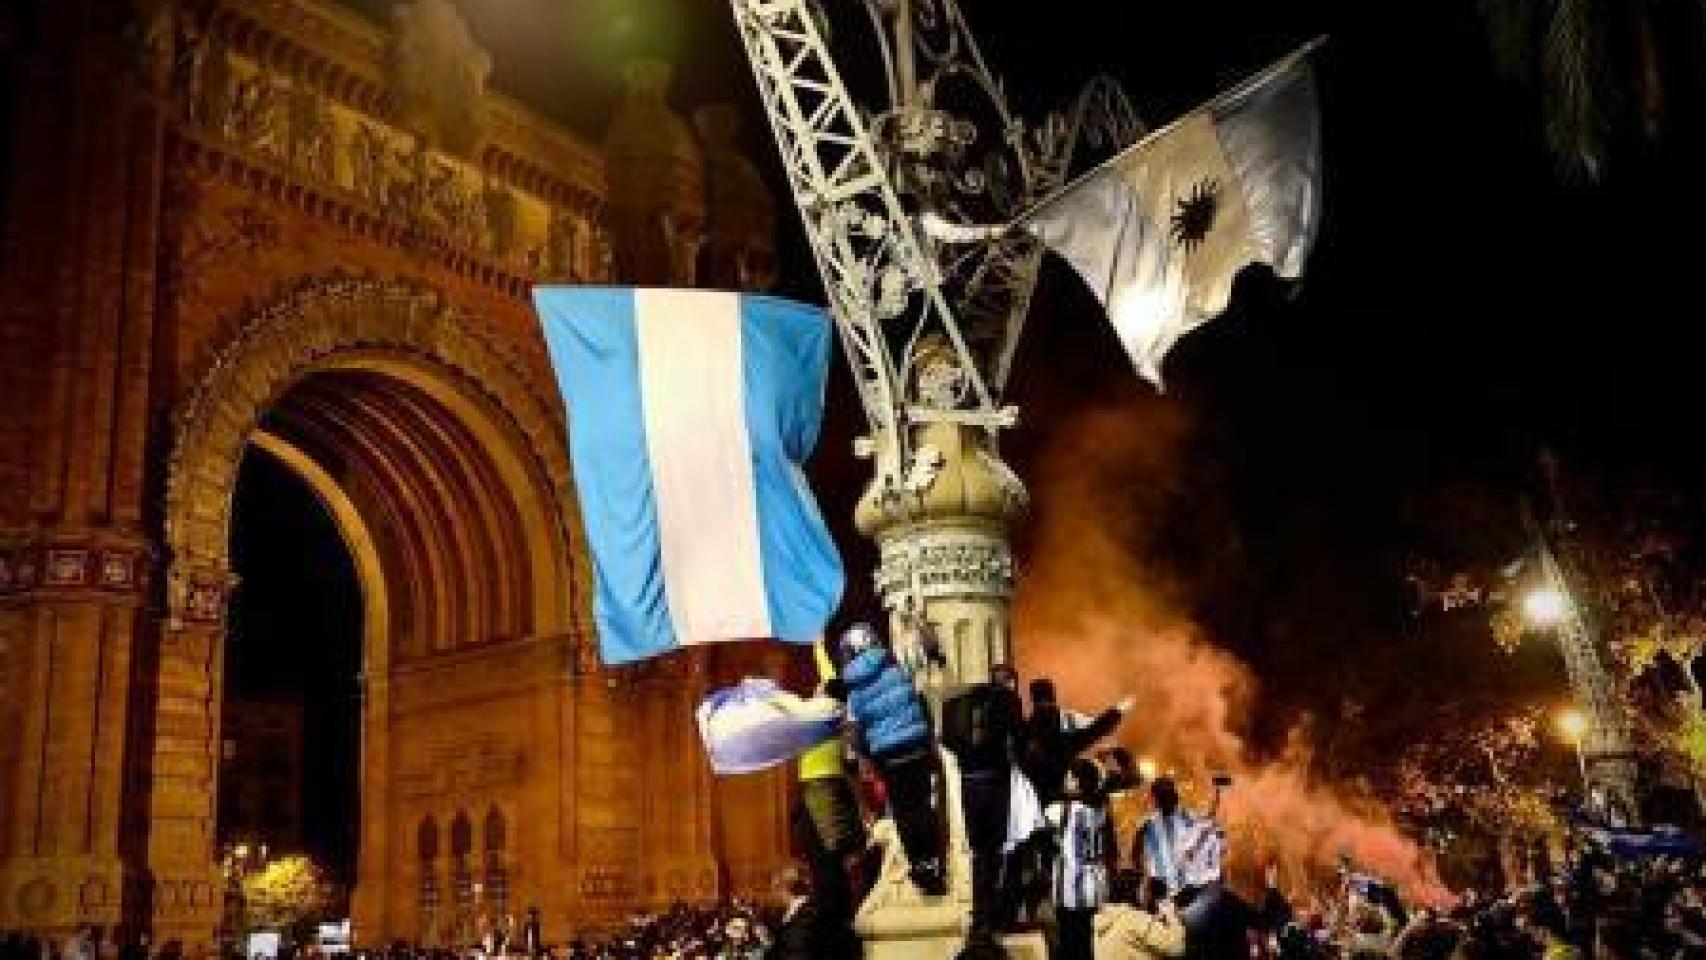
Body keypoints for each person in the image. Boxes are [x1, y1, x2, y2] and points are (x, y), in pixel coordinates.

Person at [834, 621, 946, 896]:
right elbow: (930, 648)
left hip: (888, 757)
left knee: (904, 812)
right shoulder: (896, 665)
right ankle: (935, 861)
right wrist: (920, 625)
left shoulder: (853, 692)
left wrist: (865, 762)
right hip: (917, 748)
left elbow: (854, 735)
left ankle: (920, 867)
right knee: (923, 805)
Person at [942, 662, 1028, 937]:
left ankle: (980, 916)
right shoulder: (1008, 700)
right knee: (1004, 848)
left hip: (969, 783)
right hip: (996, 782)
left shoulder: (959, 701)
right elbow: (1020, 737)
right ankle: (1001, 916)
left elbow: (947, 740)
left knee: (980, 853)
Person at [1135, 775, 1228, 955]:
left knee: (1187, 942)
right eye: (1161, 796)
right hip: (1168, 895)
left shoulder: (1188, 818)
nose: (1164, 800)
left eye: (1166, 795)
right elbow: (1136, 856)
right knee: (1175, 944)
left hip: (1188, 894)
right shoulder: (1147, 825)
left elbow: (1211, 828)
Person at [1046, 758, 1114, 960]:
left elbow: (1033, 829)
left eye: (1069, 778)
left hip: (1068, 891)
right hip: (1095, 889)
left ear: (1078, 782)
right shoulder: (1101, 811)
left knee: (1068, 942)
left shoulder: (1059, 810)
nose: (1065, 781)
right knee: (1087, 943)